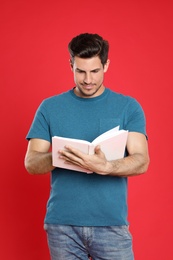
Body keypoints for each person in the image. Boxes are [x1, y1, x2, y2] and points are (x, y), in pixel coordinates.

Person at [24, 33, 149, 260]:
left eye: (95, 71)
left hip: (111, 224)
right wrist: (62, 156)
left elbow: (141, 160)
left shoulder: (128, 107)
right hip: (63, 226)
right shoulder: (50, 107)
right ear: (71, 65)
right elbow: (31, 163)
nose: (88, 79)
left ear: (106, 65)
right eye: (80, 71)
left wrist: (107, 167)